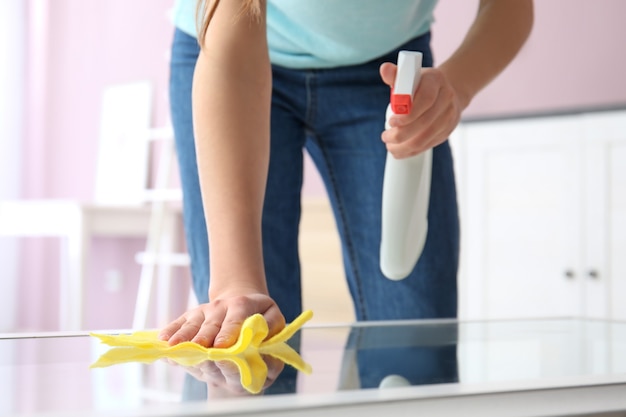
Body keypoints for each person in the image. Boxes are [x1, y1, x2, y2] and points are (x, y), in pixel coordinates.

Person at [160, 0, 534, 348]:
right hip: (233, 48)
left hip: (388, 67)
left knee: (414, 340)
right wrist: (233, 285)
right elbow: (236, 31)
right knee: (247, 332)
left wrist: (456, 87)